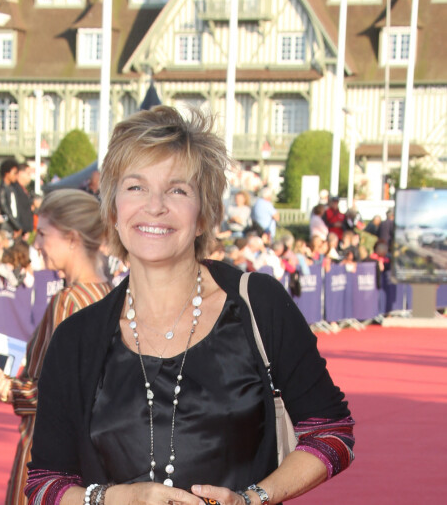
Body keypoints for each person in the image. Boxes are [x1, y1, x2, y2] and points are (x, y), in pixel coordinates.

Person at [26, 106, 355, 505]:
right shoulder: (77, 339)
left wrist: (252, 499)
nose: (155, 206)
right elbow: (44, 483)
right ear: (112, 210)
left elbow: (332, 431)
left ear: (203, 215)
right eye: (135, 187)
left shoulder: (259, 305)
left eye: (178, 190)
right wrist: (117, 499)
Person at [0, 189, 112, 505]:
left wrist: (9, 389)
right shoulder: (110, 295)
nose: (36, 244)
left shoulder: (68, 302)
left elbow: (59, 395)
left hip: (50, 458)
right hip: (92, 459)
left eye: (42, 233)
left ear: (71, 238)